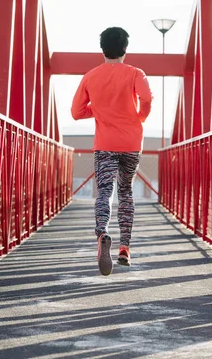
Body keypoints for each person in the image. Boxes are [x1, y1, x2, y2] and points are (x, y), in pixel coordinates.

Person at [71, 26, 153, 276]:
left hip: (105, 145)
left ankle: (102, 234)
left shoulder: (91, 76)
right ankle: (124, 248)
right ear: (125, 49)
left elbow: (76, 113)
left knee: (105, 192)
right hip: (131, 144)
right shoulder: (136, 73)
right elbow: (147, 99)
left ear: (102, 48)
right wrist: (139, 117)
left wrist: (99, 110)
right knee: (126, 191)